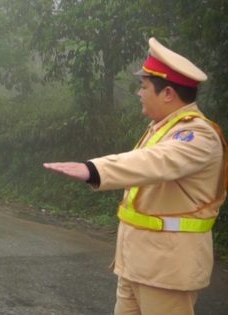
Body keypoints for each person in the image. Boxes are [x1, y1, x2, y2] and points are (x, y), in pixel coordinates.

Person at [43, 37, 227, 315]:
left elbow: (153, 162)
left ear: (167, 93)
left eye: (143, 87)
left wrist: (94, 169)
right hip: (137, 264)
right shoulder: (162, 128)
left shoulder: (198, 134)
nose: (138, 93)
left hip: (168, 270)